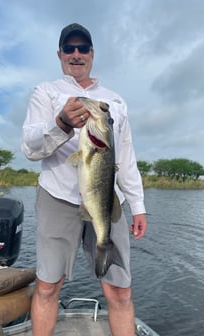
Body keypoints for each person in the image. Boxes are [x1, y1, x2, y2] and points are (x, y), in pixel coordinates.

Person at [22, 23, 148, 336]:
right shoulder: (46, 92)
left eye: (83, 48)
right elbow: (30, 148)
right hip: (57, 198)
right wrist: (62, 123)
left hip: (106, 199)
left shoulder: (115, 101)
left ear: (92, 54)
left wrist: (138, 204)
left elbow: (125, 156)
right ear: (60, 54)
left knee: (121, 291)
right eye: (69, 48)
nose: (76, 54)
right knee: (49, 287)